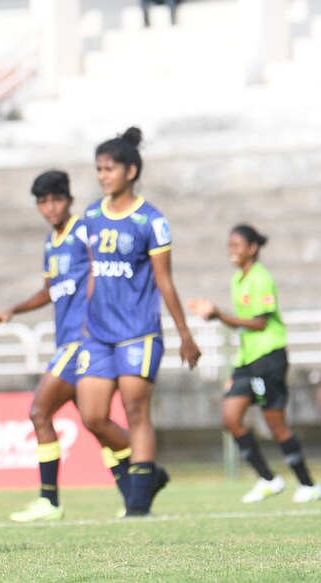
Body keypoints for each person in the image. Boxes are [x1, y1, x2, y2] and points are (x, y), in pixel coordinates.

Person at [0, 170, 134, 522]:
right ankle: (137, 490)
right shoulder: (50, 242)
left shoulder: (84, 230)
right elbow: (48, 289)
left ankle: (50, 500)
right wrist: (14, 309)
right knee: (96, 423)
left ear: (69, 200)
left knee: (39, 412)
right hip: (67, 341)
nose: (50, 207)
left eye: (56, 199)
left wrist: (94, 316)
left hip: (82, 342)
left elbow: (103, 269)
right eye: (43, 202)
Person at [77, 127, 200, 517]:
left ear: (130, 171)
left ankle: (139, 503)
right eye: (98, 169)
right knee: (93, 417)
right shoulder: (92, 215)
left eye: (109, 169)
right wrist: (84, 317)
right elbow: (95, 271)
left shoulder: (152, 220)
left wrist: (184, 334)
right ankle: (150, 474)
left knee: (135, 411)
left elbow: (165, 281)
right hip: (97, 334)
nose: (102, 176)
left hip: (138, 332)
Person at [186, 225, 321, 503]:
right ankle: (269, 479)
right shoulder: (239, 280)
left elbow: (259, 324)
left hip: (269, 358)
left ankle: (308, 484)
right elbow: (243, 326)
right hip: (247, 360)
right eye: (230, 245)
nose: (231, 251)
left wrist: (218, 315)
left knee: (275, 423)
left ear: (252, 248)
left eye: (237, 245)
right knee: (230, 418)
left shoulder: (261, 278)